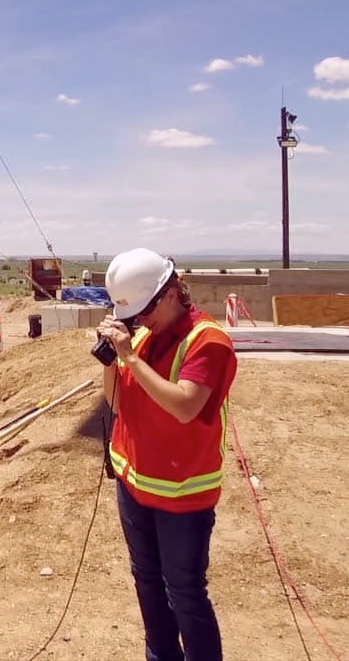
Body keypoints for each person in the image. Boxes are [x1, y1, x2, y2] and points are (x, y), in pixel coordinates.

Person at [95, 247, 238, 661]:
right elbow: (117, 403)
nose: (140, 321)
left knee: (186, 594)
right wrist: (110, 360)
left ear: (171, 292)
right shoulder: (140, 336)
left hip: (182, 493)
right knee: (148, 583)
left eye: (144, 311)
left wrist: (130, 357)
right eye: (133, 315)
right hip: (134, 485)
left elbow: (185, 406)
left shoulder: (208, 342)